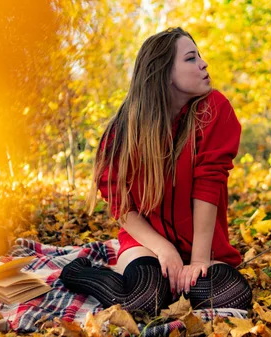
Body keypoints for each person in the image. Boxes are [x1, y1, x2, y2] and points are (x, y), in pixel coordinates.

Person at [59, 27, 252, 317]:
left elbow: (209, 185)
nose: (203, 63)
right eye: (190, 58)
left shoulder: (215, 110)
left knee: (232, 294)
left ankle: (179, 277)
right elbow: (121, 204)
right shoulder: (124, 131)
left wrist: (198, 261)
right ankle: (78, 272)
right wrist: (164, 249)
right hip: (146, 242)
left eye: (199, 55)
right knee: (143, 301)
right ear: (163, 73)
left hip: (201, 245)